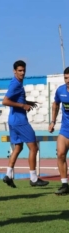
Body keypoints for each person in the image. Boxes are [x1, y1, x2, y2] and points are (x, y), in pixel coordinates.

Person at [2, 60, 49, 188]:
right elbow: (5, 101)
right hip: (19, 121)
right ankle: (33, 178)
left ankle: (8, 175)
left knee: (18, 147)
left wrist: (27, 102)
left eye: (23, 70)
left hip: (12, 120)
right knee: (34, 148)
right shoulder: (16, 84)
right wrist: (23, 105)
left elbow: (14, 99)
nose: (22, 73)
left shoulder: (15, 82)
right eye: (19, 71)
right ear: (14, 71)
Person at [49, 66, 69, 195]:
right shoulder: (60, 90)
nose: (68, 80)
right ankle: (64, 184)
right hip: (65, 129)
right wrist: (53, 121)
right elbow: (55, 104)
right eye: (66, 78)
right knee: (60, 154)